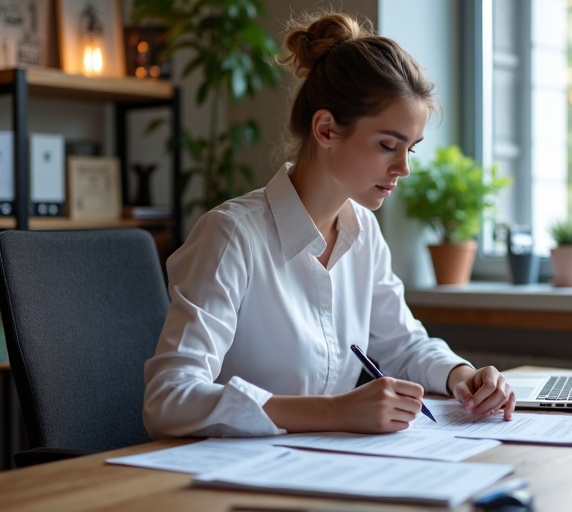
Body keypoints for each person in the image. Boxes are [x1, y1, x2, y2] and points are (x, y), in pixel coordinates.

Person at [143, 10, 516, 439]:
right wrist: (335, 411)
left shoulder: (364, 234)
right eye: (388, 145)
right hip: (230, 470)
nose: (404, 168)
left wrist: (461, 375)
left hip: (325, 462)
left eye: (410, 149)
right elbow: (168, 399)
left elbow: (403, 343)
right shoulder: (231, 235)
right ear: (325, 130)